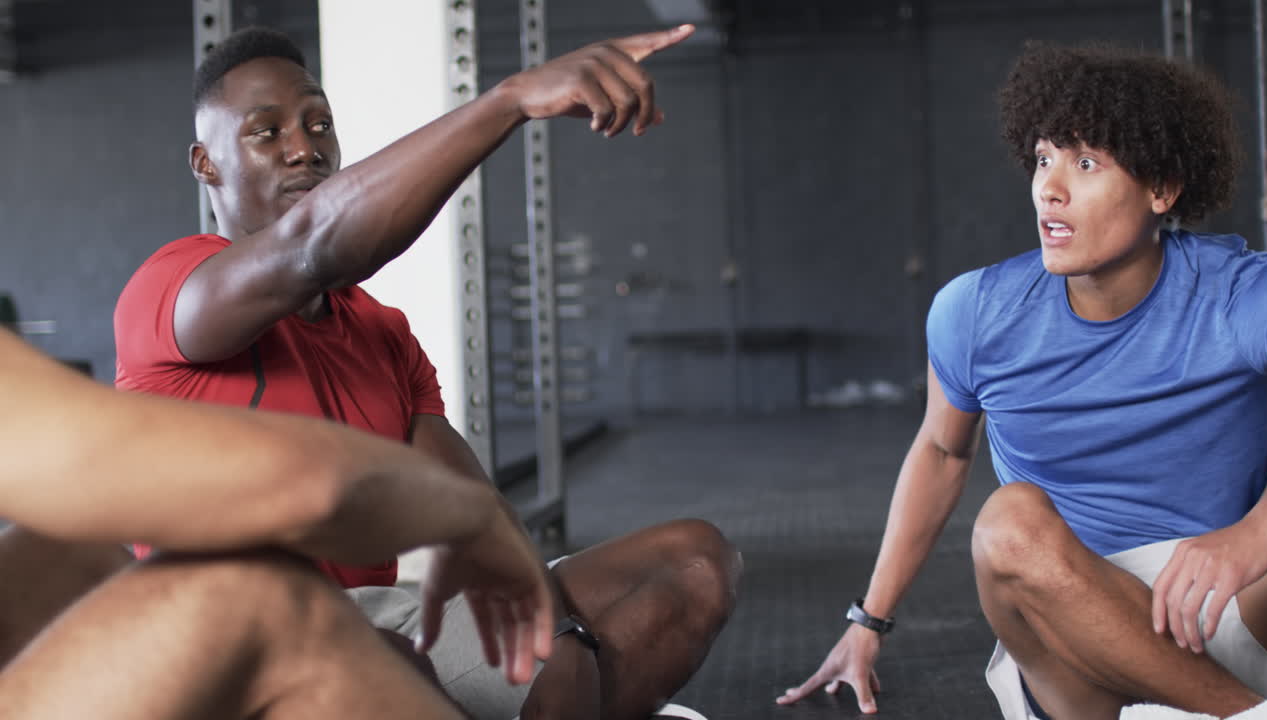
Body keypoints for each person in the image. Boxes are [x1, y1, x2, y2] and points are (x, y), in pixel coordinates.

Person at [113, 25, 740, 720]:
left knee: (695, 563)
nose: (304, 147)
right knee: (393, 661)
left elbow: (476, 512)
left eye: (319, 124)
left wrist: (558, 634)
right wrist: (509, 100)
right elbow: (313, 244)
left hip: (384, 620)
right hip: (236, 648)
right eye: (267, 132)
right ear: (206, 164)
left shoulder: (379, 331)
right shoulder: (170, 291)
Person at [778, 42, 1267, 719]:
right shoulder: (975, 313)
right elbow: (941, 452)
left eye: (1086, 163)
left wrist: (1256, 533)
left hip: (1229, 602)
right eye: (1044, 159)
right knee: (1008, 522)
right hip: (1072, 631)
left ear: (1161, 189)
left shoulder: (1238, 295)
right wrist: (867, 623)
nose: (1050, 188)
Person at [0, 327, 554, 719]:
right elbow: (312, 489)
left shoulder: (379, 326)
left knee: (64, 556)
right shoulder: (175, 287)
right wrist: (471, 513)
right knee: (256, 597)